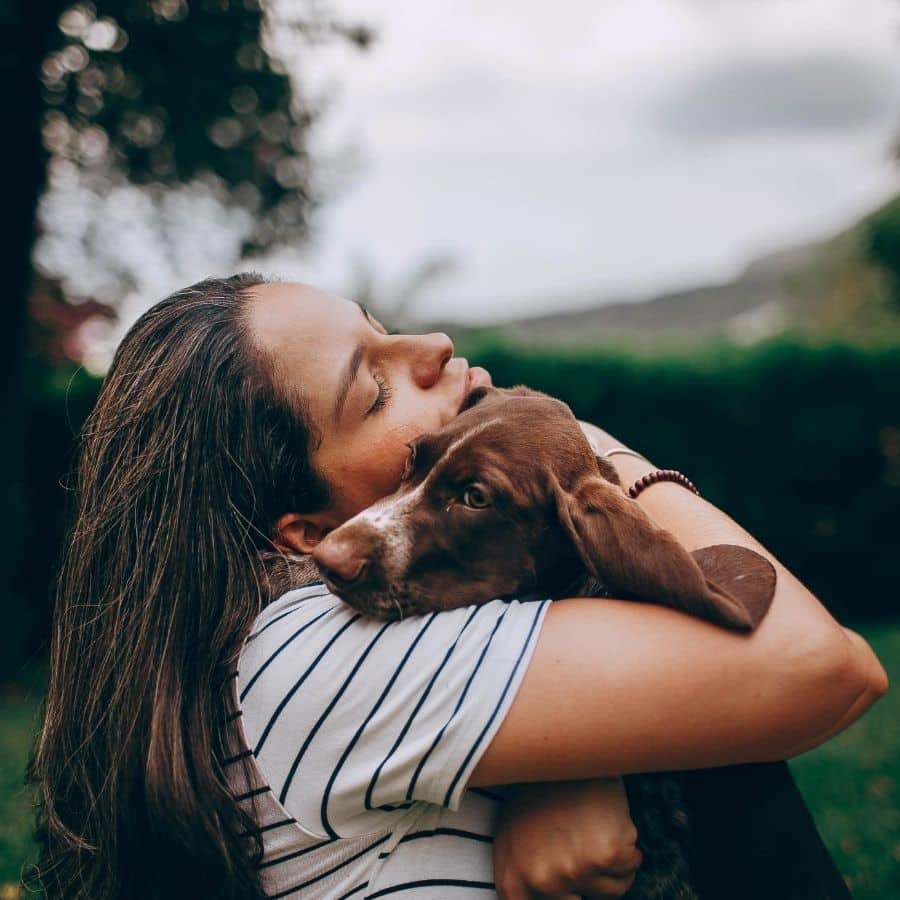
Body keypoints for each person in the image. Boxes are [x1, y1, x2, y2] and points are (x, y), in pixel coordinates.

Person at [29, 273, 887, 900]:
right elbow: (823, 667)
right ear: (305, 537)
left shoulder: (389, 624)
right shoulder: (301, 654)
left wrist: (588, 763)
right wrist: (593, 455)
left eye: (382, 325)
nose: (433, 346)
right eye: (374, 388)